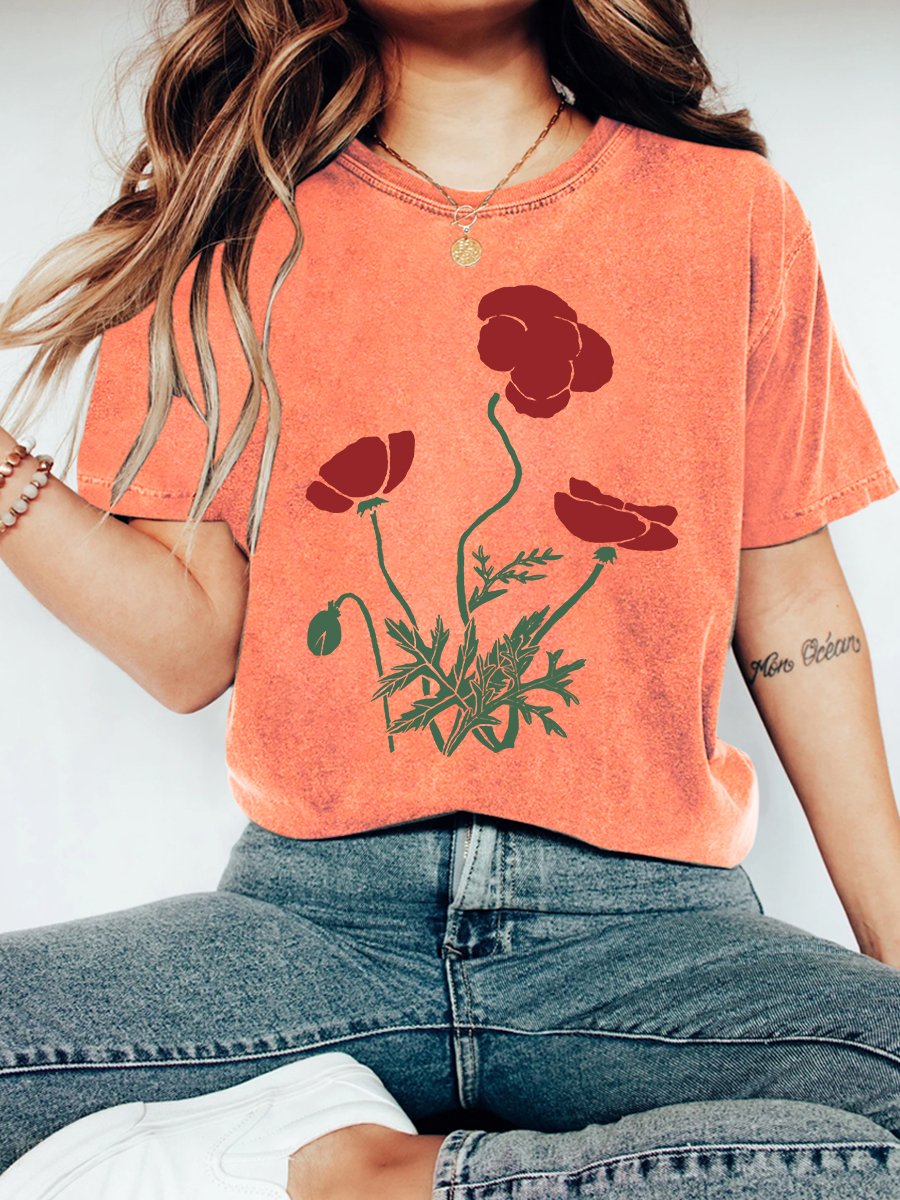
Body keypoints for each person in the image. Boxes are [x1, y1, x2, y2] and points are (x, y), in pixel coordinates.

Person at [1, 0, 899, 1196]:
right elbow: (187, 650)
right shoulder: (223, 233)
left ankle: (373, 1179)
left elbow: (793, 610)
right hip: (311, 927)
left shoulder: (730, 210)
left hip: (652, 933)